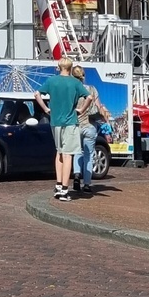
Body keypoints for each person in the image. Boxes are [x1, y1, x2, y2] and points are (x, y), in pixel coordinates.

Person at [34, 57, 90, 202]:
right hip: (70, 121)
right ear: (71, 68)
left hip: (55, 122)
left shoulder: (52, 81)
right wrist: (81, 110)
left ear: (59, 67)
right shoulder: (75, 83)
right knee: (68, 155)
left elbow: (37, 94)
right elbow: (89, 97)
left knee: (59, 153)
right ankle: (65, 190)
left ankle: (58, 185)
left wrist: (46, 109)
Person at [71, 64, 109, 195]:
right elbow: (98, 106)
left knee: (77, 152)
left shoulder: (72, 90)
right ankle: (87, 184)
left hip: (76, 125)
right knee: (88, 155)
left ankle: (76, 175)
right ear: (83, 76)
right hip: (90, 125)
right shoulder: (92, 89)